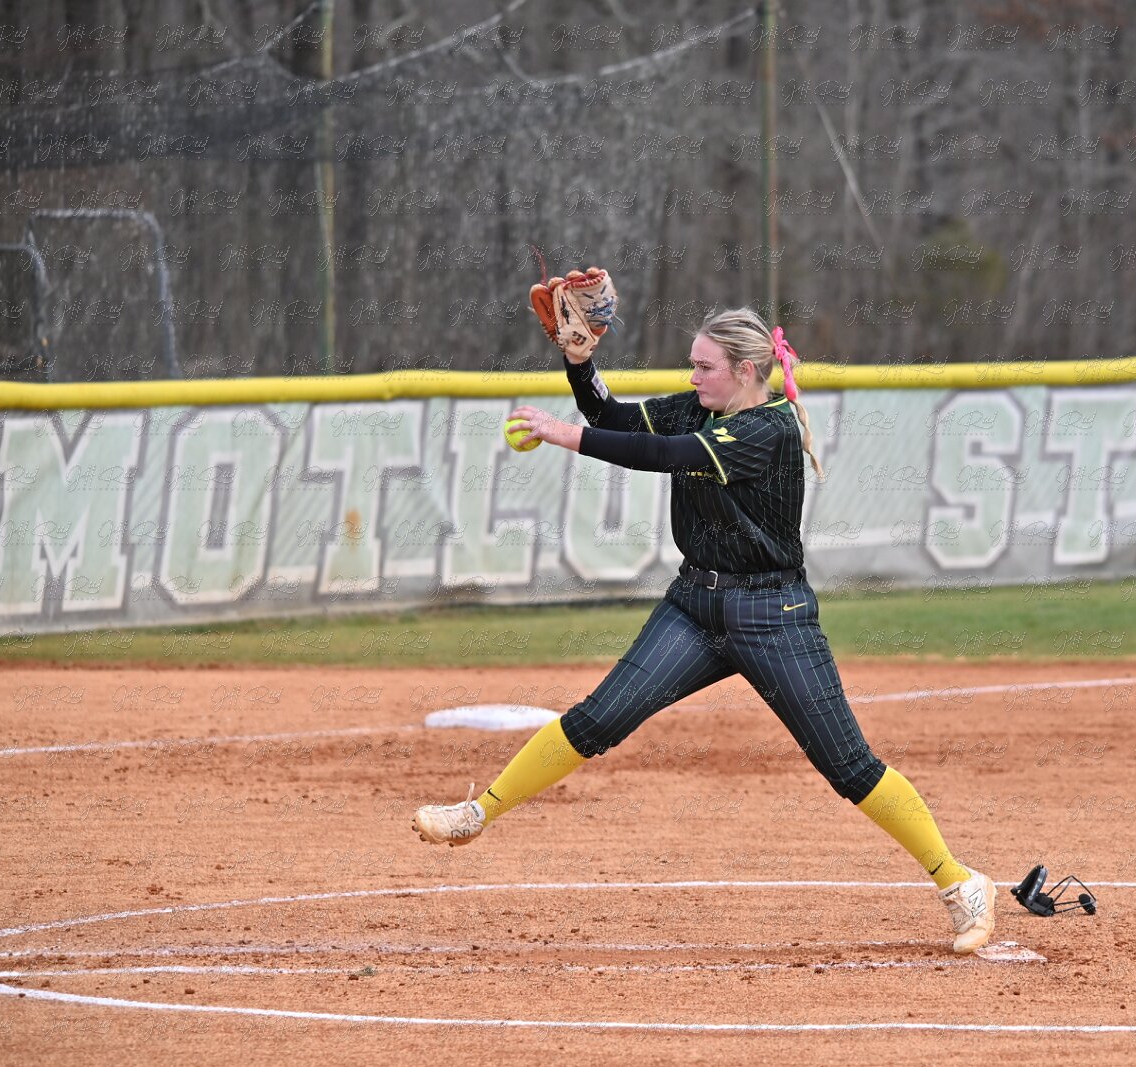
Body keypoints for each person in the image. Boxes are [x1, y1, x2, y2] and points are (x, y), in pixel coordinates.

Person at [414, 307, 1000, 954]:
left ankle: (961, 883)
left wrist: (561, 434)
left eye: (704, 366)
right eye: (692, 365)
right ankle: (478, 813)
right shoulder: (699, 408)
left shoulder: (768, 428)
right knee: (598, 718)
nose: (693, 377)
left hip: (772, 614)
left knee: (849, 766)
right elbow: (612, 416)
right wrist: (579, 363)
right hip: (695, 605)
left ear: (745, 370)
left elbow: (665, 455)